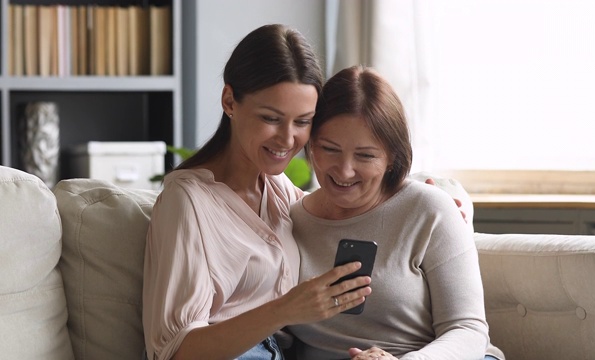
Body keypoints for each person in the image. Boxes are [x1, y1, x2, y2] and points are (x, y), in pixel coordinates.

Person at [142, 24, 373, 360]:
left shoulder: (280, 191)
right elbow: (175, 351)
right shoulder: (187, 202)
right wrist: (284, 310)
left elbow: (348, 209)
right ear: (229, 101)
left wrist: (431, 203)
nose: (287, 139)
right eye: (271, 118)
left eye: (302, 121)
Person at [287, 65, 505, 360]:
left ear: (391, 157)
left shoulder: (430, 210)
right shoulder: (289, 221)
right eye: (329, 149)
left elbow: (468, 329)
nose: (344, 170)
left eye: (365, 155)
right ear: (310, 144)